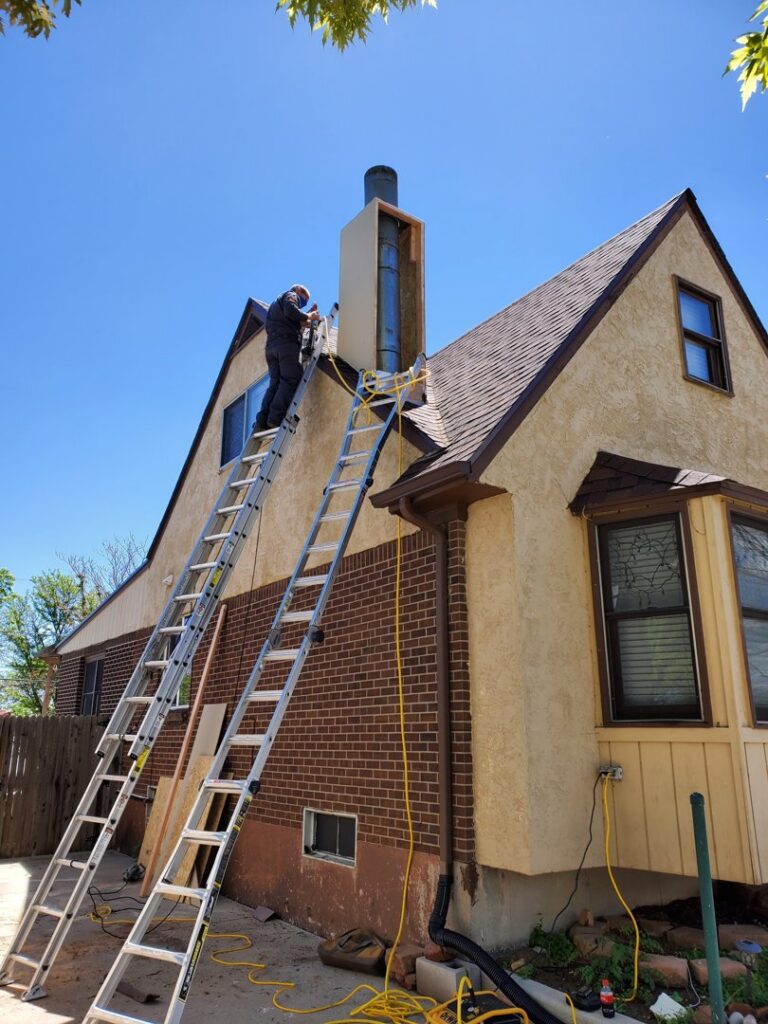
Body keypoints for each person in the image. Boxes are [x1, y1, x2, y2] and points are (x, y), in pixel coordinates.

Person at [254, 285, 321, 430]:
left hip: (272, 348)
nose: (304, 302)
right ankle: (275, 418)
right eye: (305, 299)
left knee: (276, 383)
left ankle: (262, 420)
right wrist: (310, 316)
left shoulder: (278, 305)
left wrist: (310, 318)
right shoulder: (291, 295)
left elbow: (295, 318)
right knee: (290, 379)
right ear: (299, 291)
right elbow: (292, 311)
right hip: (286, 345)